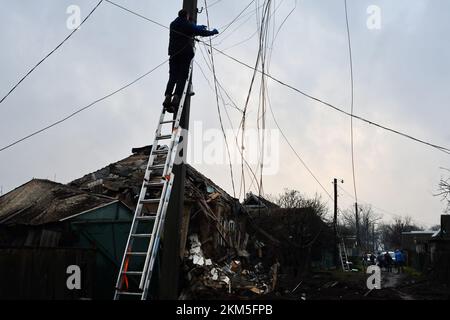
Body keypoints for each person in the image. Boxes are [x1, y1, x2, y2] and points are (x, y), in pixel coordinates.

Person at [163, 9, 219, 113]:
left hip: (173, 53)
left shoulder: (173, 24)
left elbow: (193, 28)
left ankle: (167, 96)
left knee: (172, 76)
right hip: (184, 53)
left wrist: (197, 27)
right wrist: (212, 32)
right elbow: (199, 31)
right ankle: (176, 97)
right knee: (182, 76)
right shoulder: (188, 24)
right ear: (187, 16)